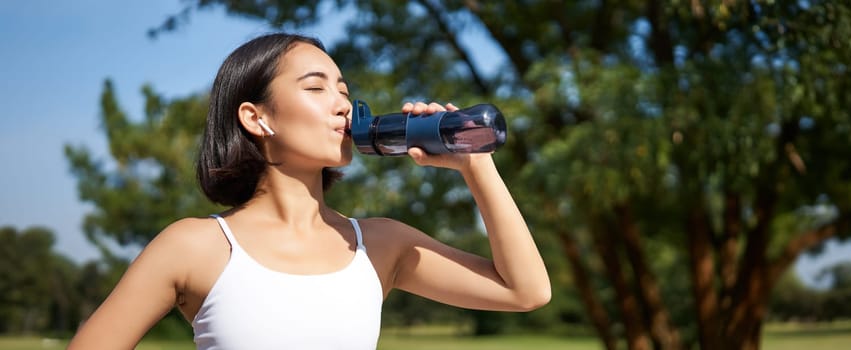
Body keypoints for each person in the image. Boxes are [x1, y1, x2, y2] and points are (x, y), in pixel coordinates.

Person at [67, 32, 550, 349]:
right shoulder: (195, 246)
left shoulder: (379, 245)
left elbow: (524, 291)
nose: (342, 104)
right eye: (316, 88)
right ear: (258, 118)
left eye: (343, 90)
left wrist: (475, 165)